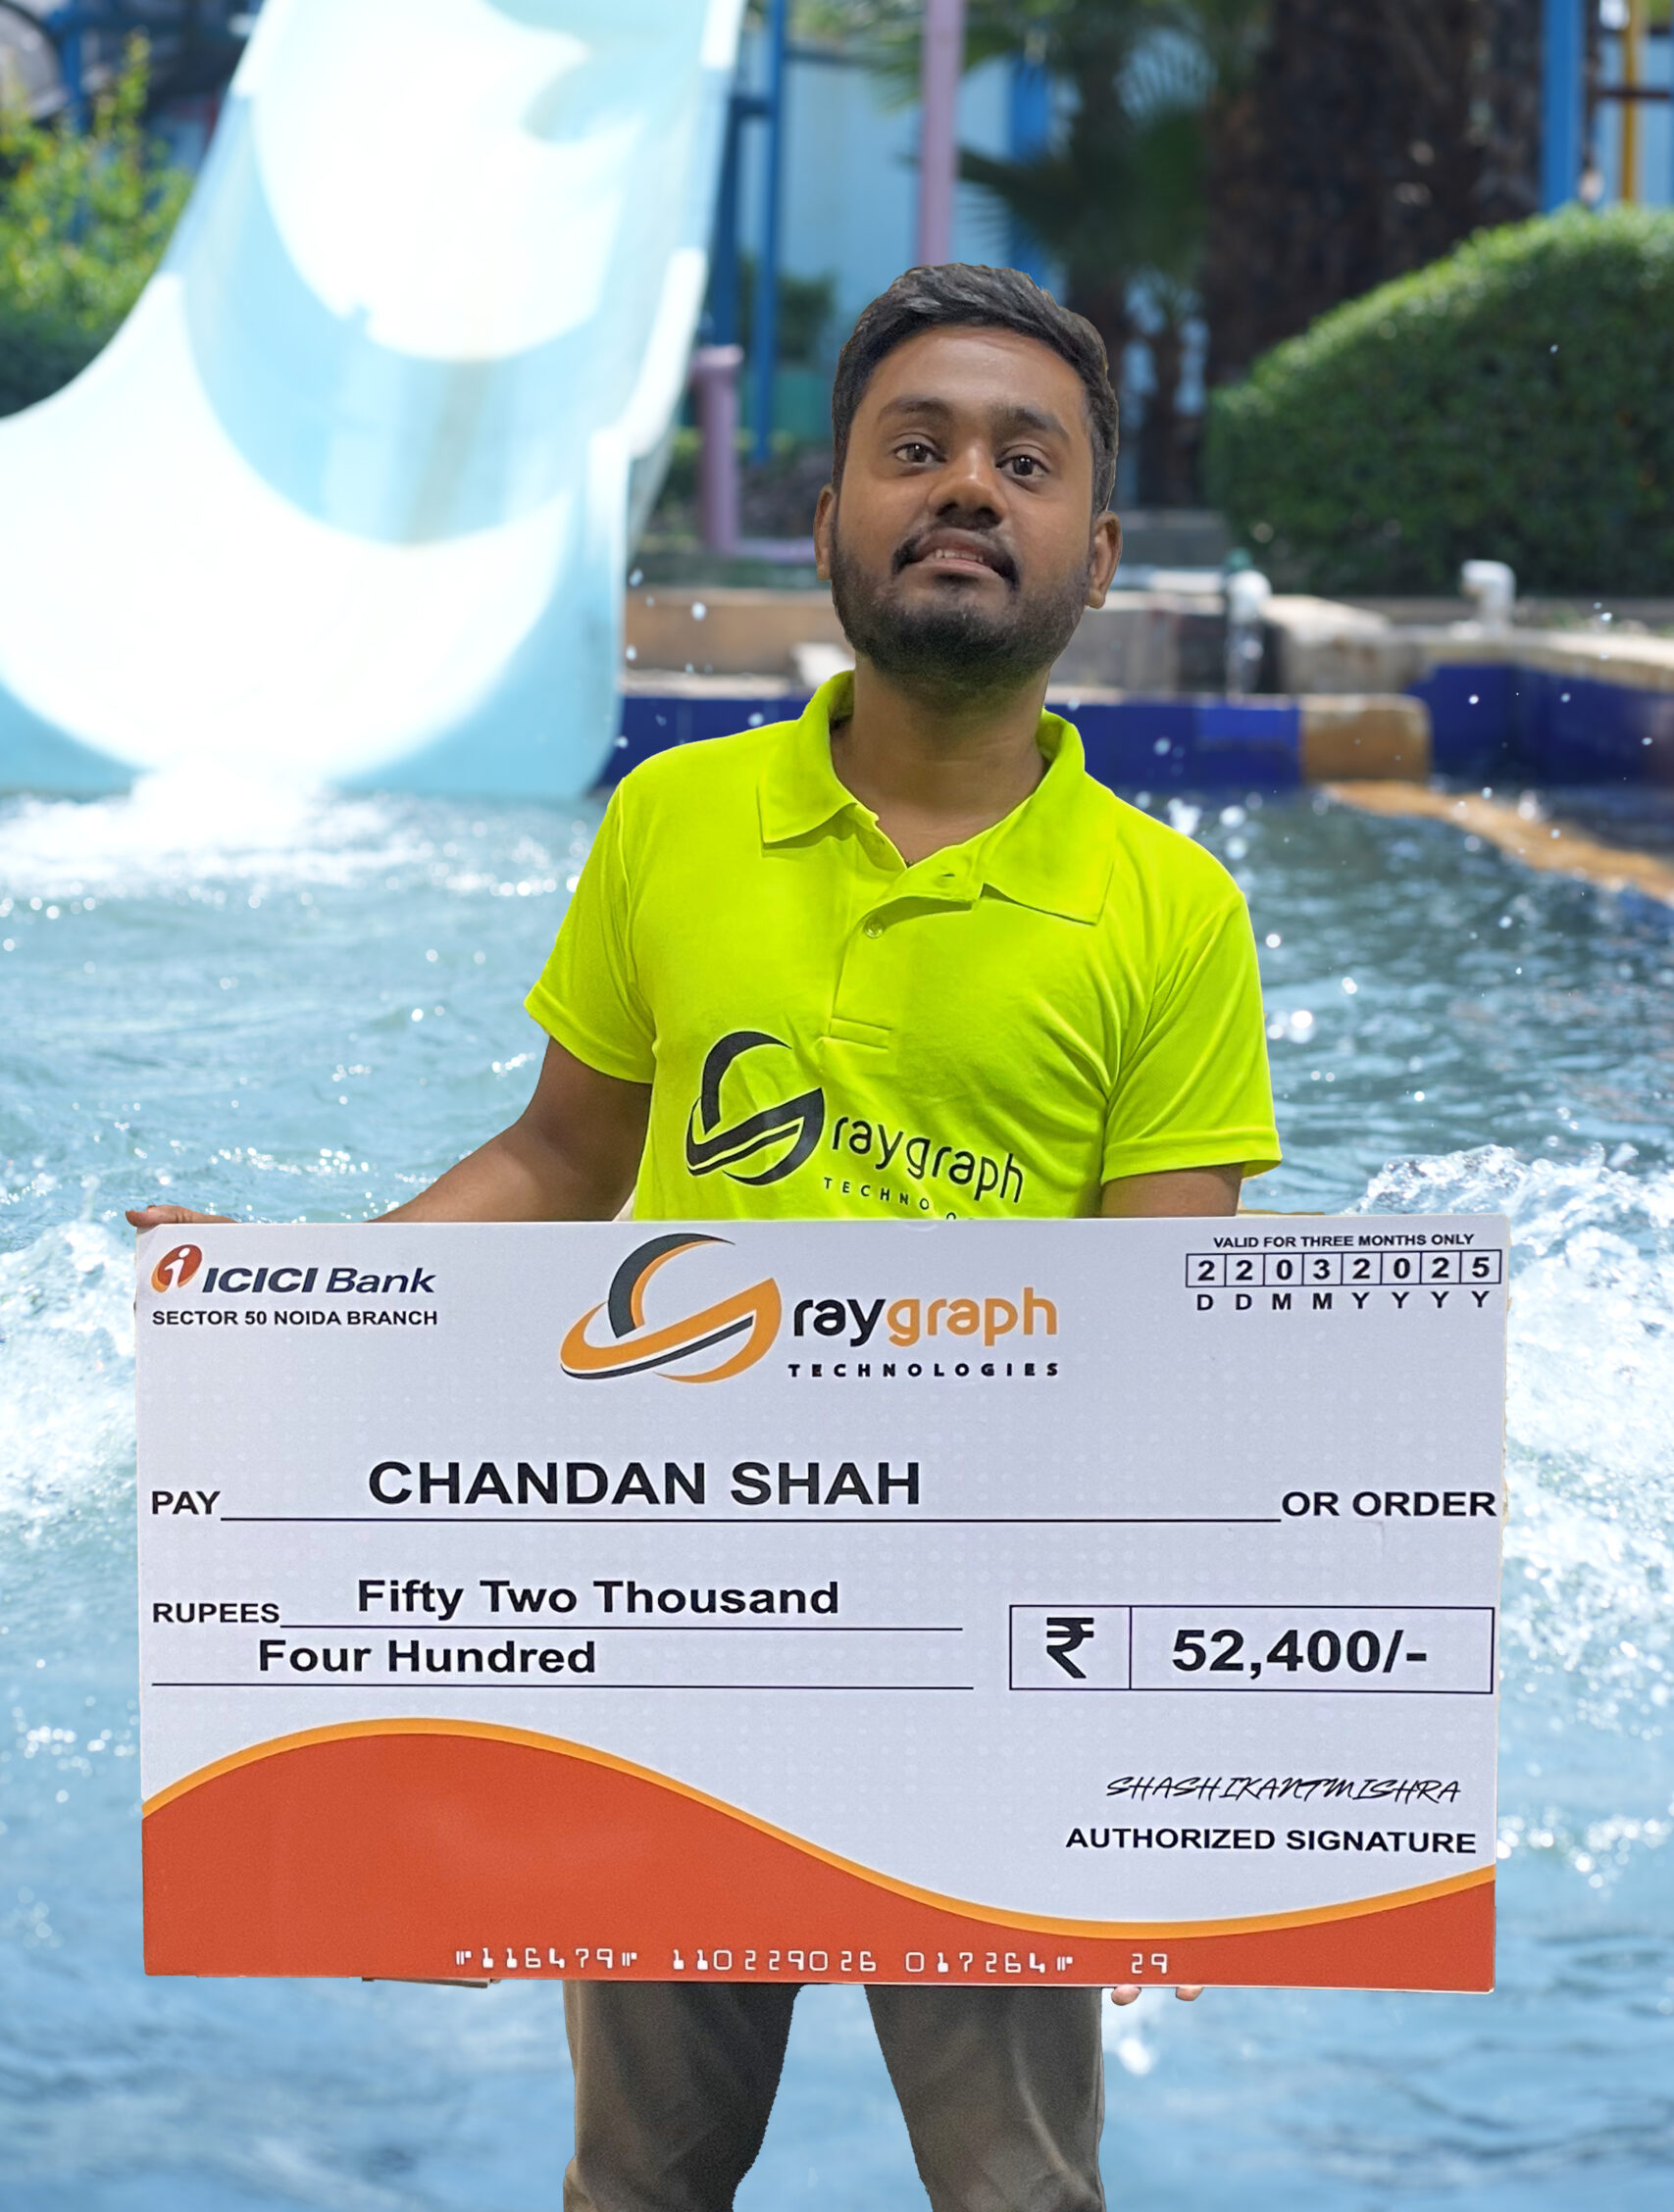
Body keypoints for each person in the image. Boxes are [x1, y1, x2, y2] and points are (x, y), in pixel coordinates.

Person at [133, 263, 1280, 2212]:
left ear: (1096, 556)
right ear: (825, 517)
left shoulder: (1168, 912)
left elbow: (1163, 1328)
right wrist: (300, 1305)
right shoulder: (673, 819)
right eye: (914, 448)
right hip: (683, 1613)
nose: (964, 487)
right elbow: (559, 1157)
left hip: (983, 1653)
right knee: (639, 2184)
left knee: (1015, 2190)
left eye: (1023, 462)